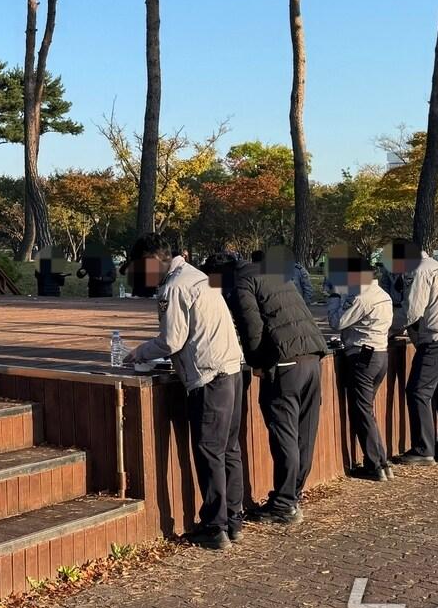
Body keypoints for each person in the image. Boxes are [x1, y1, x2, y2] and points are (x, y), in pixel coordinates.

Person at [125, 233, 245, 551]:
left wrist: (140, 352)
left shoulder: (174, 286)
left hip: (208, 377)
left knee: (209, 453)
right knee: (229, 449)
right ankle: (233, 520)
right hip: (231, 370)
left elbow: (172, 341)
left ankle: (215, 527)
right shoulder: (197, 276)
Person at [231, 247, 328, 525]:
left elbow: (251, 325)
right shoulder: (273, 275)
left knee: (284, 433)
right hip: (312, 356)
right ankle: (292, 496)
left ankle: (284, 503)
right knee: (304, 433)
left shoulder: (242, 281)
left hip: (285, 363)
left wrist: (256, 362)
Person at [325, 249, 394, 482]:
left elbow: (337, 322)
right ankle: (381, 462)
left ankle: (375, 464)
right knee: (367, 411)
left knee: (362, 412)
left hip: (362, 357)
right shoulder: (382, 294)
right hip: (380, 354)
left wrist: (334, 297)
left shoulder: (362, 297)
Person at [394, 241, 438, 466]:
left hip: (437, 338)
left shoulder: (419, 271)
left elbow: (412, 311)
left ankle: (423, 448)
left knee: (418, 391)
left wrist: (388, 328)